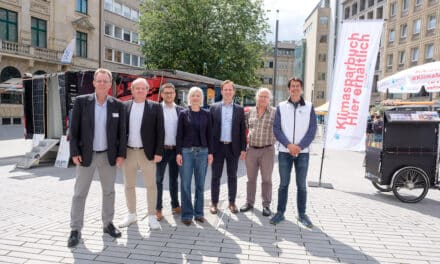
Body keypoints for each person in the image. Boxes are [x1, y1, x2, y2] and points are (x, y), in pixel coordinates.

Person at [68, 68, 126, 248]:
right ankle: (75, 229)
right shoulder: (81, 102)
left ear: (110, 84)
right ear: (93, 83)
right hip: (86, 156)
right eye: (99, 81)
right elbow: (74, 130)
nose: (102, 84)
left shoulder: (118, 105)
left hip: (108, 156)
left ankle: (107, 224)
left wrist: (121, 154)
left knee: (109, 192)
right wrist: (74, 152)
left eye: (105, 81)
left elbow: (122, 133)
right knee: (79, 193)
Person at [118, 78, 164, 230]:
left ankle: (151, 216)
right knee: (128, 185)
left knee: (151, 185)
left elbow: (160, 131)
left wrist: (158, 152)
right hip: (129, 152)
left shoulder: (156, 107)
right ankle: (131, 214)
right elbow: (119, 131)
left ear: (147, 90)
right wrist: (119, 152)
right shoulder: (124, 106)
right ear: (132, 90)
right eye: (136, 88)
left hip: (148, 153)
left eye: (142, 88)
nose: (139, 90)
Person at [271, 77, 317, 228]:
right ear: (288, 89)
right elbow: (277, 129)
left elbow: (312, 130)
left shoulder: (309, 107)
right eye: (292, 86)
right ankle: (280, 212)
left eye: (297, 86)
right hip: (285, 151)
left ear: (301, 88)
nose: (295, 88)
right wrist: (289, 145)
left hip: (303, 153)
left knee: (301, 185)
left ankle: (302, 214)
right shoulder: (281, 106)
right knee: (283, 184)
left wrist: (299, 146)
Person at [176, 87, 213, 226]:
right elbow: (178, 134)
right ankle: (186, 214)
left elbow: (210, 135)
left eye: (198, 95)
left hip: (203, 152)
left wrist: (210, 153)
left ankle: (199, 213)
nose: (196, 98)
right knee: (185, 184)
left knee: (200, 184)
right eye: (193, 95)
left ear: (201, 98)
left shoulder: (207, 114)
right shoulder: (183, 114)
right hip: (186, 152)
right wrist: (178, 153)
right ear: (189, 98)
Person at [209, 80, 246, 214]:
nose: (228, 92)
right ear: (222, 91)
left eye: (230, 90)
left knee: (232, 176)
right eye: (226, 89)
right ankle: (214, 203)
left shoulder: (239, 109)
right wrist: (210, 150)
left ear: (233, 92)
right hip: (217, 148)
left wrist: (243, 149)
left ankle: (232, 202)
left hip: (233, 148)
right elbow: (209, 130)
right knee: (215, 177)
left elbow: (242, 130)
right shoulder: (214, 108)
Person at [240, 88, 276, 217]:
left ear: (269, 99)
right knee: (250, 179)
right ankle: (249, 203)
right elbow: (246, 129)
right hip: (252, 150)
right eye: (261, 96)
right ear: (257, 98)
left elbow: (279, 129)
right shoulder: (249, 112)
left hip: (267, 150)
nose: (263, 99)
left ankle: (266, 205)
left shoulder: (275, 113)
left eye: (266, 97)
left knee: (266, 179)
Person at [155, 83, 184, 221]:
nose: (169, 95)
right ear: (161, 94)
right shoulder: (155, 109)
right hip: (160, 151)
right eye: (166, 92)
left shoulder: (180, 110)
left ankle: (175, 205)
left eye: (171, 93)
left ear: (175, 94)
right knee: (158, 181)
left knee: (174, 180)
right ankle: (158, 208)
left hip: (175, 151)